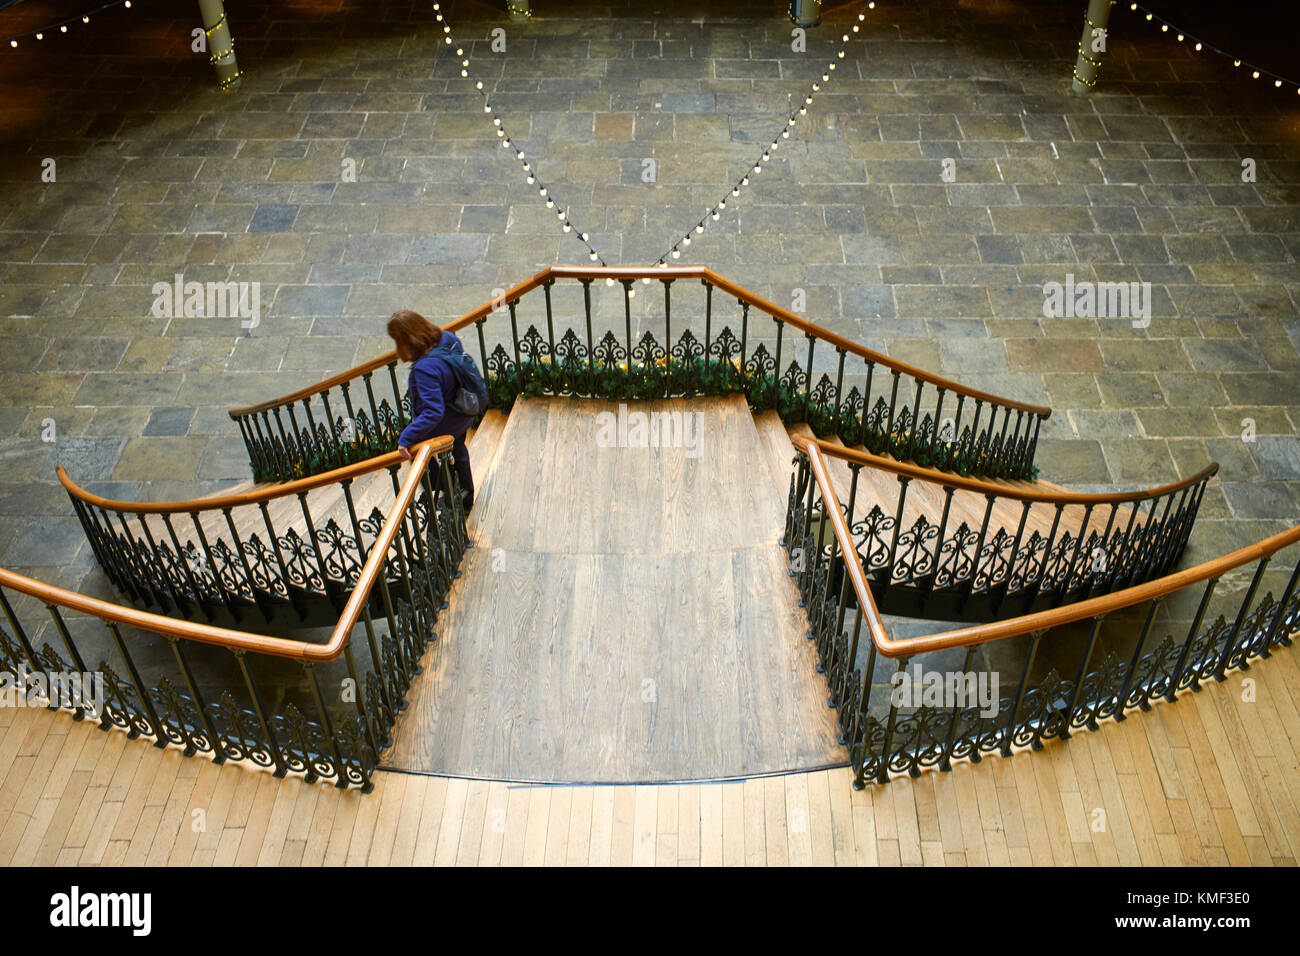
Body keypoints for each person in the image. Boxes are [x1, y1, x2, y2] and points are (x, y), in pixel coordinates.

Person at [387, 309, 475, 511]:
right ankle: (466, 495)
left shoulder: (424, 369)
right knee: (459, 450)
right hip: (462, 411)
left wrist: (406, 438)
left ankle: (442, 492)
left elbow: (433, 413)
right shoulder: (448, 338)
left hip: (447, 421)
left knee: (416, 450)